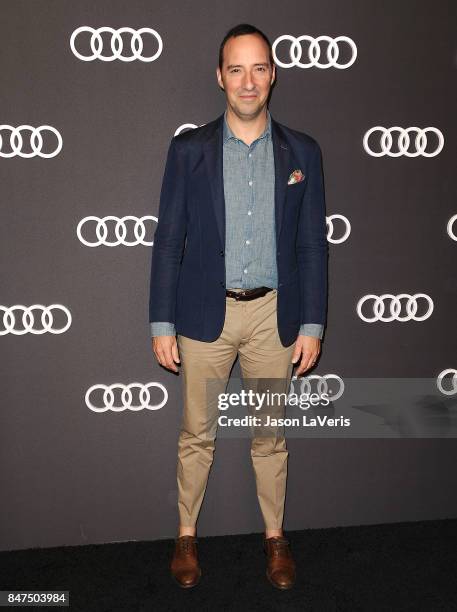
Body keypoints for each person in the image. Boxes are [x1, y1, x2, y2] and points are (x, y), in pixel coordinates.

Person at [149, 23, 328, 590]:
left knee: (269, 436)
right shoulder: (189, 151)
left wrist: (312, 322)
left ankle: (275, 539)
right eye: (236, 69)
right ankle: (186, 536)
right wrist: (162, 321)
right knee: (196, 433)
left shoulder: (303, 151)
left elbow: (311, 243)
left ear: (273, 75)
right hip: (205, 315)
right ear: (219, 77)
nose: (248, 81)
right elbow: (169, 237)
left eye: (258, 68)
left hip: (273, 317)